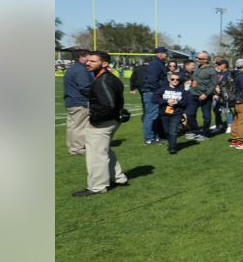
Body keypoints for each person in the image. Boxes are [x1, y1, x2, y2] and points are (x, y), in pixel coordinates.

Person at [73, 51, 129, 196]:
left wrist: (94, 121)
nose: (88, 63)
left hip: (103, 122)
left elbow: (108, 105)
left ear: (104, 64)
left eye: (93, 61)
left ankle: (97, 186)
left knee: (96, 155)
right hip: (112, 119)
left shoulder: (103, 80)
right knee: (104, 150)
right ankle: (118, 177)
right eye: (88, 60)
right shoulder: (109, 78)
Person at [63, 49, 92, 155]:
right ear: (82, 57)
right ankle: (78, 148)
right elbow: (85, 87)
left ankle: (72, 146)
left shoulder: (73, 68)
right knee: (79, 126)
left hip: (71, 101)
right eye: (89, 56)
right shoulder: (81, 69)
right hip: (79, 101)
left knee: (73, 126)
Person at [152, 71, 188, 154]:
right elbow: (154, 99)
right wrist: (166, 101)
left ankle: (172, 147)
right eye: (173, 79)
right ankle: (171, 142)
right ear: (169, 79)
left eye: (177, 79)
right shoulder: (163, 89)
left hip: (177, 113)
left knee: (173, 130)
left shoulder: (182, 90)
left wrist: (177, 102)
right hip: (164, 113)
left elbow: (186, 102)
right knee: (167, 131)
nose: (175, 81)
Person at [140, 46, 169, 144]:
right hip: (152, 92)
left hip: (155, 92)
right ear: (160, 54)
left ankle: (155, 137)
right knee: (151, 116)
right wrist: (160, 91)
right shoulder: (155, 64)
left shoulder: (159, 63)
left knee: (156, 116)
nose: (167, 55)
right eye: (166, 53)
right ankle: (148, 139)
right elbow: (152, 80)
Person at [191, 51, 216, 138]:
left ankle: (205, 133)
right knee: (190, 113)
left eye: (199, 58)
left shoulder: (211, 70)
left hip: (205, 96)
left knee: (206, 116)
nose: (197, 59)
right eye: (196, 58)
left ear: (205, 60)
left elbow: (213, 85)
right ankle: (195, 130)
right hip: (193, 94)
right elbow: (194, 78)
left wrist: (206, 94)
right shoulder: (197, 67)